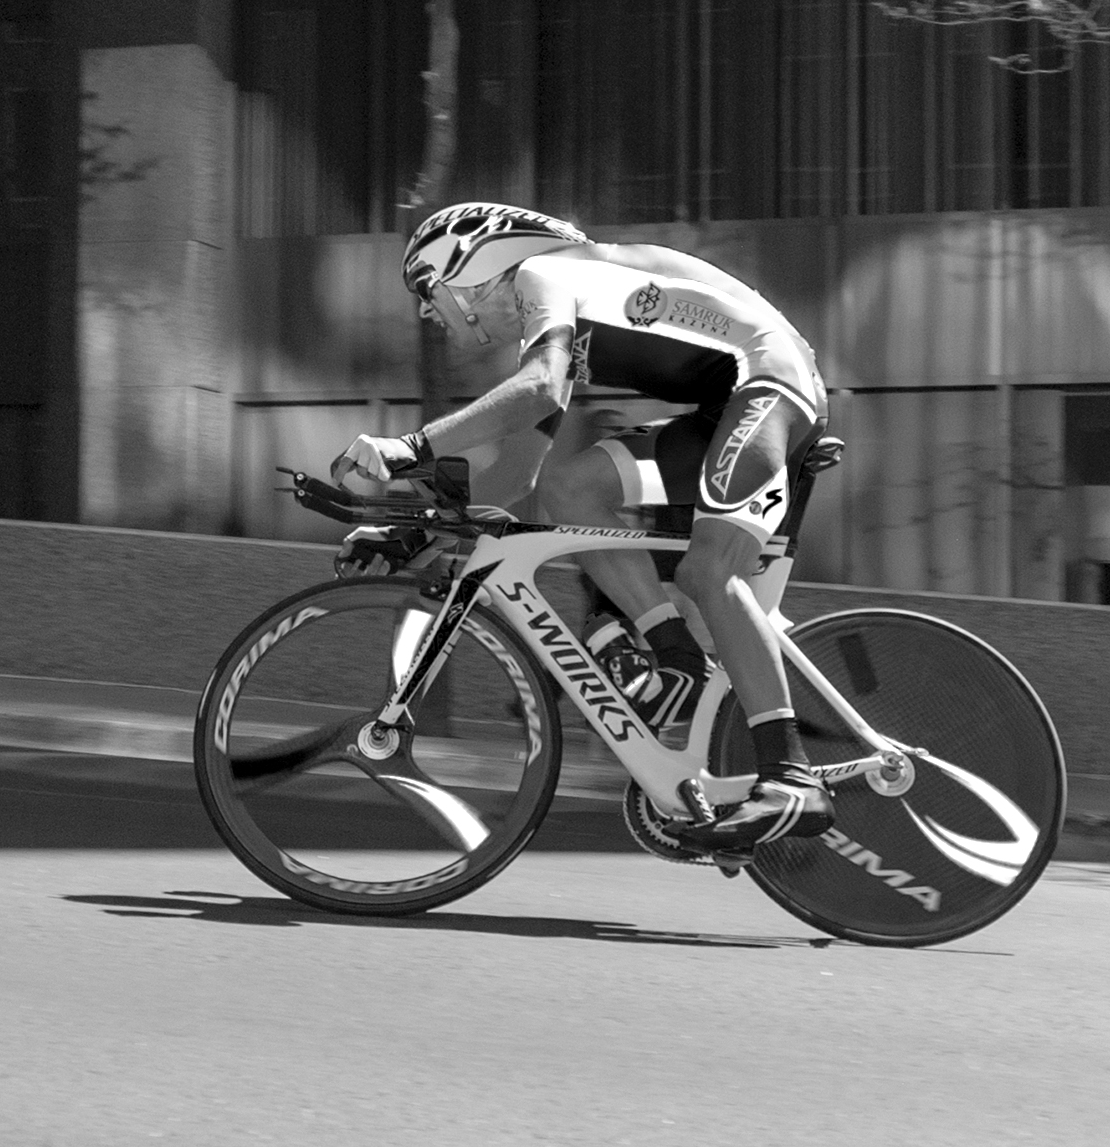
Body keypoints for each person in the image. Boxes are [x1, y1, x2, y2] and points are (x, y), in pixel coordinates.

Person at [337, 202, 834, 854]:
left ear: (467, 268)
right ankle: (677, 660)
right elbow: (520, 472)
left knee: (709, 570)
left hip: (771, 387)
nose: (428, 313)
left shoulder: (544, 276)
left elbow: (540, 389)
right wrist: (413, 531)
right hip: (726, 406)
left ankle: (791, 778)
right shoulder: (562, 308)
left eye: (428, 292)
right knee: (571, 489)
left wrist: (410, 447)